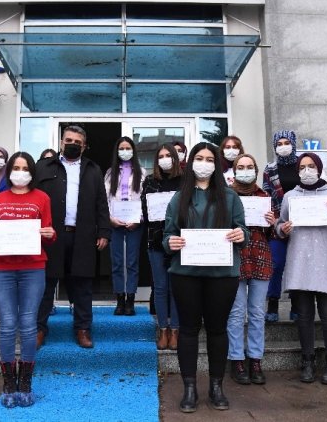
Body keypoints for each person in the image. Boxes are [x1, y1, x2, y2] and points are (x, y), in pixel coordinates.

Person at [163, 142, 248, 412]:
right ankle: (189, 388)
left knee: (217, 329)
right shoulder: (179, 198)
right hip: (185, 273)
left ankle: (216, 386)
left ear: (216, 164)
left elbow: (241, 229)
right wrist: (170, 243)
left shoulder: (230, 196)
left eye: (209, 159)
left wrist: (240, 234)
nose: (204, 163)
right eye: (199, 158)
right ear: (191, 163)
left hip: (222, 274)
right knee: (188, 329)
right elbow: (166, 235)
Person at [0, 151, 56, 408]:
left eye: (25, 168)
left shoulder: (42, 198)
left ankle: (26, 383)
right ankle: (8, 383)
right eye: (16, 167)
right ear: (10, 170)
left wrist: (49, 233)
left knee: (28, 324)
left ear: (32, 172)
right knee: (8, 324)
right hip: (1, 269)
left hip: (33, 267)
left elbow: (49, 232)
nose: (20, 172)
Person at [276, 152, 327, 385]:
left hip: (326, 262)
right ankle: (307, 360)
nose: (306, 170)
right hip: (300, 261)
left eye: (311, 166)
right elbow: (280, 225)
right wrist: (282, 229)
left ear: (319, 168)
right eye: (302, 166)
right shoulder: (290, 196)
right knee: (304, 315)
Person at [35, 125, 111, 349]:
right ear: (61, 142)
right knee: (46, 284)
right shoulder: (43, 167)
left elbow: (101, 203)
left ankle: (83, 329)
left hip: (83, 236)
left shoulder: (93, 169)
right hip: (51, 236)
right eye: (69, 140)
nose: (73, 144)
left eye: (78, 142)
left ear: (84, 146)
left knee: (82, 286)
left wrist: (104, 231)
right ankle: (39, 329)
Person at [226, 153, 275, 385]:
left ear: (256, 170)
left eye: (249, 166)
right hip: (235, 258)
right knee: (236, 313)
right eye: (241, 166)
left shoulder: (264, 196)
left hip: (260, 257)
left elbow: (273, 234)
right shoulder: (226, 196)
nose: (245, 170)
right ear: (234, 171)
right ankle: (236, 358)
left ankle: (255, 359)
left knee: (256, 312)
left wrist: (272, 222)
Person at [141, 144, 182, 350]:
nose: (165, 159)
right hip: (156, 240)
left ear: (175, 158)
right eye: (161, 156)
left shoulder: (185, 180)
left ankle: (175, 330)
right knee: (160, 287)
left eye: (168, 155)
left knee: (176, 287)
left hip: (180, 241)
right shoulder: (149, 181)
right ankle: (162, 329)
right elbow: (145, 212)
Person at [262, 129, 301, 322]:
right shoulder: (269, 169)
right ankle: (273, 304)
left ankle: (296, 304)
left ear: (293, 143)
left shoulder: (304, 165)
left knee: (296, 264)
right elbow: (267, 196)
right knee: (276, 264)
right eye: (279, 143)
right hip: (277, 222)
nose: (283, 146)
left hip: (302, 224)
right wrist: (274, 221)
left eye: (287, 142)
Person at [104, 136, 144, 316]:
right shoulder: (110, 173)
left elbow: (145, 200)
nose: (125, 151)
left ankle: (131, 301)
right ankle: (119, 300)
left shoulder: (142, 172)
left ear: (133, 151)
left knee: (133, 262)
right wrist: (110, 218)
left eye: (128, 148)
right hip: (115, 223)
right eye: (122, 148)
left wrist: (139, 219)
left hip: (135, 223)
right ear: (117, 151)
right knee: (117, 262)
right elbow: (105, 199)